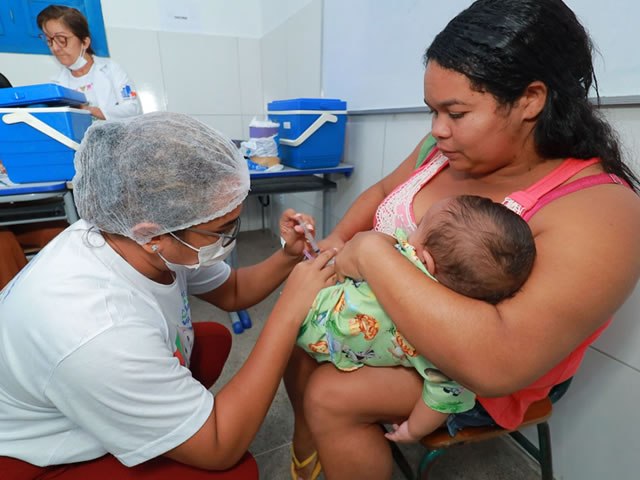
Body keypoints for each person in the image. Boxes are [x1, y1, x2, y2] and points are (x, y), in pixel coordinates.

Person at [283, 0, 640, 478]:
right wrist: (336, 239)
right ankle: (308, 441)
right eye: (433, 111)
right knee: (297, 330)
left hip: (469, 372)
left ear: (531, 99)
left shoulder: (601, 210)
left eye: (456, 112)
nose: (436, 130)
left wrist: (371, 253)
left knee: (331, 394)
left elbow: (498, 361)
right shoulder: (441, 150)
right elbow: (386, 191)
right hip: (387, 318)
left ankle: (322, 431)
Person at [0, 112, 337, 479]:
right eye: (223, 228)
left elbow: (234, 290)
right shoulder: (97, 330)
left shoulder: (141, 232)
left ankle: (165, 417)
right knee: (235, 472)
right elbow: (220, 446)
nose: (230, 237)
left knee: (213, 341)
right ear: (152, 235)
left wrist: (288, 256)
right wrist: (289, 312)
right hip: (32, 453)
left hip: (78, 385)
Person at [295, 195, 536, 450]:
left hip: (308, 316)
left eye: (419, 226)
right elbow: (445, 394)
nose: (410, 231)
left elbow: (348, 263)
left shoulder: (399, 255)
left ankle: (305, 440)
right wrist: (413, 429)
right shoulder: (450, 342)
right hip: (327, 342)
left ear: (426, 261)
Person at [37, 4, 143, 120]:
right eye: (49, 41)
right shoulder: (56, 84)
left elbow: (133, 109)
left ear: (85, 42)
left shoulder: (110, 69)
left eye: (61, 40)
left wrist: (90, 111)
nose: (55, 48)